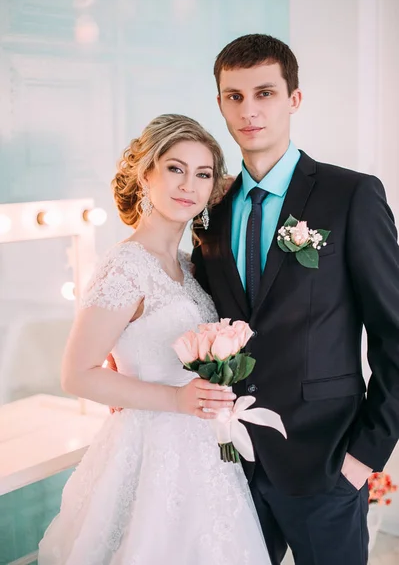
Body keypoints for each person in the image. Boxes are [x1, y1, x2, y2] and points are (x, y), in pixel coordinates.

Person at [192, 34, 399, 565]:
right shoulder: (209, 211)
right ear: (219, 104)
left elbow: (395, 336)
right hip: (230, 463)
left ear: (294, 99)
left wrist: (362, 459)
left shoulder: (350, 195)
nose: (249, 110)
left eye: (265, 92)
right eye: (234, 96)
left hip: (326, 463)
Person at [37, 114, 272, 564]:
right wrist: (175, 399)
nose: (189, 185)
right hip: (149, 450)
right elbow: (76, 375)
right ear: (146, 174)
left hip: (206, 455)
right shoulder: (125, 266)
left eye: (203, 174)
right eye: (175, 168)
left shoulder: (191, 265)